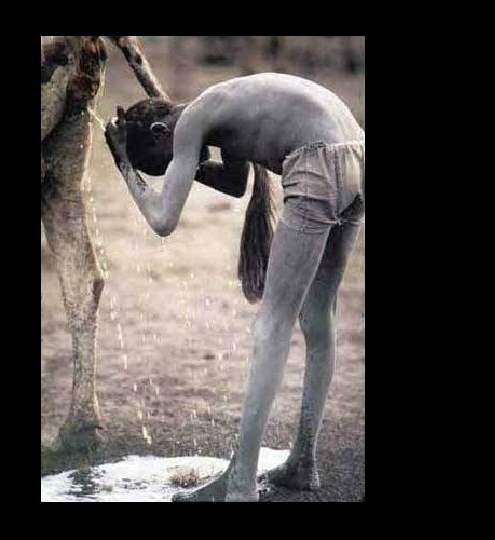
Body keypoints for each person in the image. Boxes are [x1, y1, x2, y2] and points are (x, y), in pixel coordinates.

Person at [104, 72, 365, 502]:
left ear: (160, 131)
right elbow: (235, 183)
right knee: (319, 316)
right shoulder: (222, 107)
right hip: (355, 154)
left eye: (166, 162)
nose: (174, 167)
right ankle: (303, 463)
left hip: (317, 159)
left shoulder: (192, 121)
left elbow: (163, 220)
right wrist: (180, 166)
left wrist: (125, 165)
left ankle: (240, 483)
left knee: (271, 326)